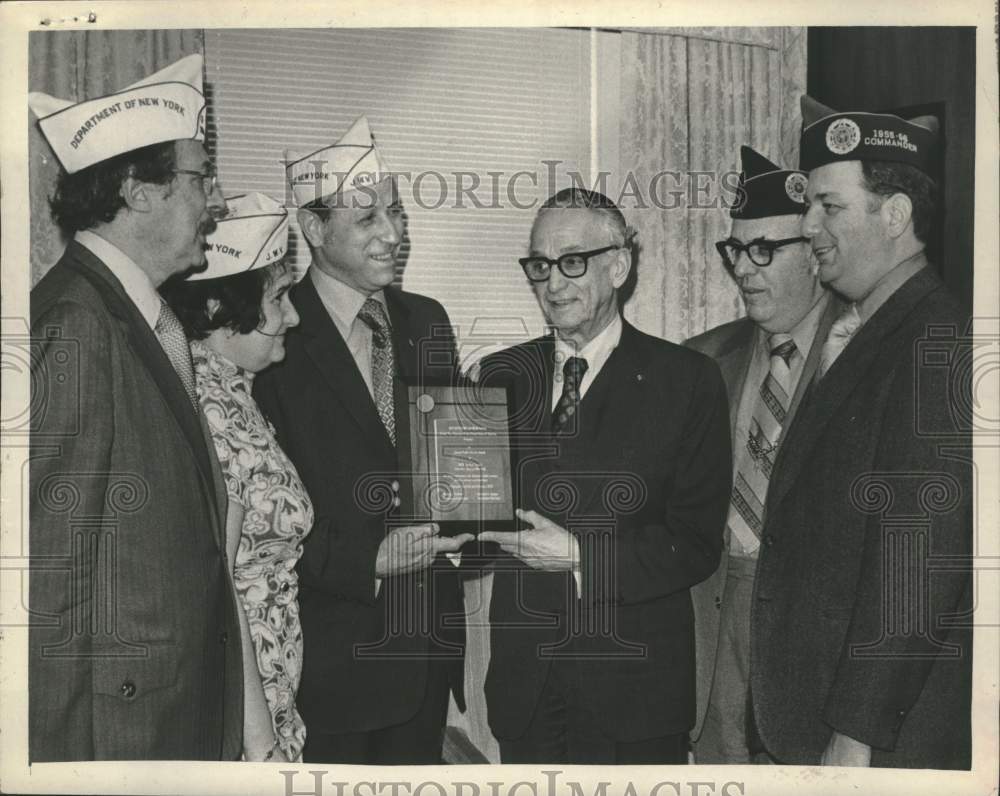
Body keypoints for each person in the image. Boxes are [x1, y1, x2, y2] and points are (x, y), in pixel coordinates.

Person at [27, 54, 243, 760]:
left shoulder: (134, 315)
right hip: (118, 735)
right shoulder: (73, 325)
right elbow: (48, 575)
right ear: (137, 190)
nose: (214, 200)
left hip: (168, 711)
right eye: (199, 178)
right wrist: (52, 764)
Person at [749, 96, 972, 768]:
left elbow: (917, 559)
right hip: (811, 718)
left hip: (867, 741)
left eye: (830, 207)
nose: (808, 223)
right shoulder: (871, 328)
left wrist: (856, 732)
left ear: (895, 215)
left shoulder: (938, 341)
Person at [474, 188, 732, 764]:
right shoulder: (497, 376)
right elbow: (479, 527)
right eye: (539, 265)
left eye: (572, 262)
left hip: (635, 696)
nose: (552, 283)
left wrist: (579, 555)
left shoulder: (687, 380)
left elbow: (694, 544)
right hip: (527, 693)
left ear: (619, 265)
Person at [252, 117, 470, 764]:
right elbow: (261, 513)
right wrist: (366, 562)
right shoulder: (270, 332)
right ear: (314, 230)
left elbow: (446, 469)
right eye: (368, 218)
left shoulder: (426, 320)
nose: (393, 235)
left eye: (396, 213)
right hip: (329, 662)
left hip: (426, 651)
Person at [686, 146, 839, 763]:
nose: (743, 270)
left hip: (809, 656)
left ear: (817, 253)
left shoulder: (860, 359)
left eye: (764, 250)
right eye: (735, 250)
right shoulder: (699, 360)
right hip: (711, 644)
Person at [161, 192, 309, 762]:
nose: (292, 316)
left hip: (268, 697)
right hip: (242, 715)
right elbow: (217, 594)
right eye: (278, 298)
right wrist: (260, 744)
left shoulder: (234, 395)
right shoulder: (210, 411)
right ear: (223, 307)